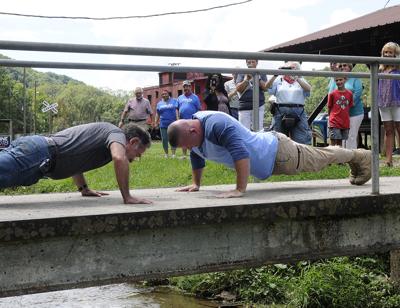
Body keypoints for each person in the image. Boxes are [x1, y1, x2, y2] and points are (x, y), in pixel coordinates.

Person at [167, 111, 371, 198]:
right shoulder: (193, 134)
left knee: (321, 158)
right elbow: (196, 155)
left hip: (279, 153)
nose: (188, 149)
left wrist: (239, 190)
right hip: (271, 157)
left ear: (192, 131)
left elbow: (241, 154)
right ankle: (356, 157)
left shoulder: (215, 126)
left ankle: (359, 156)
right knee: (321, 156)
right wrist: (196, 184)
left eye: (187, 144)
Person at [0, 122, 152, 204]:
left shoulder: (105, 140)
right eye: (138, 154)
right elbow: (119, 158)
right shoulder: (116, 134)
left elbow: (76, 163)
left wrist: (84, 188)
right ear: (133, 141)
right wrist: (128, 197)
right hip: (39, 154)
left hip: (38, 158)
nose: (135, 159)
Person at [267, 61, 312, 144]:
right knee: (278, 140)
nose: (289, 71)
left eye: (292, 68)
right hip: (280, 111)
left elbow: (308, 89)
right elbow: (267, 87)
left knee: (302, 140)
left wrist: (296, 77)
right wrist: (275, 74)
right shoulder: (278, 79)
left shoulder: (301, 79)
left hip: (298, 111)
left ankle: (300, 156)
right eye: (287, 68)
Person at [328, 63, 364, 149]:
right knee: (339, 138)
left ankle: (351, 158)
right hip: (338, 115)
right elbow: (330, 94)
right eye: (340, 66)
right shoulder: (334, 79)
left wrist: (344, 105)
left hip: (354, 113)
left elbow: (357, 94)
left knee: (351, 136)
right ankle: (340, 157)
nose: (342, 67)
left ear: (350, 67)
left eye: (345, 65)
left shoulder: (355, 79)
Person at [378, 42, 400, 167]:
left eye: (390, 52)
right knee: (388, 130)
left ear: (395, 54)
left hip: (397, 101)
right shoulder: (380, 68)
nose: (387, 55)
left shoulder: (398, 68)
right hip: (384, 102)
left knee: (399, 128)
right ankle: (388, 159)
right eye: (385, 52)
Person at [235, 59, 268, 131]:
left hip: (259, 104)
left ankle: (258, 142)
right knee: (243, 130)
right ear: (246, 63)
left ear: (257, 63)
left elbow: (265, 88)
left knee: (258, 130)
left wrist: (257, 77)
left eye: (253, 62)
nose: (251, 64)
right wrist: (246, 79)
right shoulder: (242, 73)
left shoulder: (261, 73)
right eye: (249, 62)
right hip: (244, 105)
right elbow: (238, 89)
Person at [177, 80, 201, 158]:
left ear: (190, 87)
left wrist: (198, 120)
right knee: (183, 137)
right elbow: (177, 109)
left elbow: (199, 109)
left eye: (187, 86)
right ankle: (184, 155)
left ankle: (193, 154)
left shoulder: (195, 97)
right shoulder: (180, 97)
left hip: (192, 121)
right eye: (184, 86)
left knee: (192, 138)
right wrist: (177, 119)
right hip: (182, 121)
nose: (185, 88)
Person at [327, 77, 353, 146]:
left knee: (340, 142)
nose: (338, 82)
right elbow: (329, 107)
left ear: (345, 80)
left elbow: (349, 106)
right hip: (334, 121)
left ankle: (339, 156)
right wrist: (330, 120)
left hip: (344, 122)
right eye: (336, 80)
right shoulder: (332, 94)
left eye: (340, 79)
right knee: (333, 141)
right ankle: (332, 156)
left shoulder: (350, 94)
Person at [155, 89, 179, 158]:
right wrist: (156, 122)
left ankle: (173, 154)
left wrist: (178, 120)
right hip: (163, 124)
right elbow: (157, 114)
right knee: (164, 139)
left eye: (165, 93)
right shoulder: (159, 103)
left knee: (172, 138)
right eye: (162, 94)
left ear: (169, 94)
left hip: (172, 123)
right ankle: (166, 154)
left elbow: (177, 110)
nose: (164, 95)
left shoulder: (174, 101)